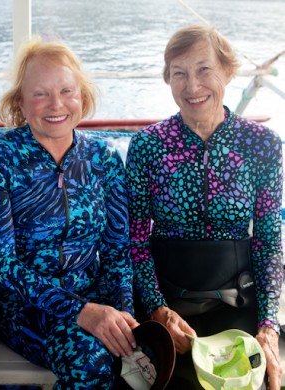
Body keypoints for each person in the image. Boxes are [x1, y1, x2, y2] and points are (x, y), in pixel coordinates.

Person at [0, 39, 139, 389]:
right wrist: (80, 311)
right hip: (19, 301)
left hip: (93, 294)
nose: (56, 104)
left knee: (139, 348)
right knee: (89, 361)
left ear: (82, 96)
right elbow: (0, 264)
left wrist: (123, 314)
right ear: (21, 103)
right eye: (41, 94)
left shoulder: (103, 158)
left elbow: (117, 248)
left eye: (66, 91)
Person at [126, 24, 283, 390]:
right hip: (165, 298)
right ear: (167, 79)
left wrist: (268, 326)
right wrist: (156, 308)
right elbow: (134, 239)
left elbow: (268, 241)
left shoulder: (262, 145)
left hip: (237, 299)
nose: (192, 86)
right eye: (178, 73)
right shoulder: (147, 146)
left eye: (203, 69)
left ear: (227, 71)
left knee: (244, 378)